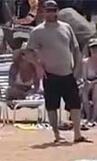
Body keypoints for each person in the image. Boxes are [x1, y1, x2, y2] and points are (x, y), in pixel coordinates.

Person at [27, 0, 85, 143]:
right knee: (52, 106)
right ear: (43, 12)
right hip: (50, 74)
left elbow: (76, 49)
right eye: (48, 10)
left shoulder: (66, 27)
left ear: (57, 11)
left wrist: (78, 67)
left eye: (53, 10)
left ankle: (77, 134)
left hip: (68, 73)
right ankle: (56, 135)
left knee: (75, 104)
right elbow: (28, 52)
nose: (51, 13)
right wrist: (38, 66)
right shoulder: (38, 31)